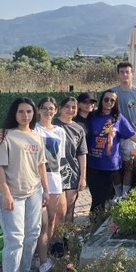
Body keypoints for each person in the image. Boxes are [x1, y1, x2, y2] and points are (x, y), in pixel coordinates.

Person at [0, 97, 48, 272]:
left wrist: (46, 190)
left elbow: (41, 164)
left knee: (32, 234)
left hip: (33, 192)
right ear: (14, 114)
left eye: (29, 111)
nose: (26, 115)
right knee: (14, 240)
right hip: (11, 195)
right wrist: (6, 193)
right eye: (21, 112)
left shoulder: (36, 136)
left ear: (34, 113)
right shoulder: (4, 136)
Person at [87, 89, 136, 213]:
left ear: (115, 103)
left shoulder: (118, 119)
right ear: (101, 100)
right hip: (93, 164)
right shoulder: (93, 116)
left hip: (109, 165)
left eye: (112, 100)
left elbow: (133, 136)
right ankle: (95, 222)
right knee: (96, 196)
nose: (109, 102)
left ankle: (95, 222)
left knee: (102, 197)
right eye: (106, 99)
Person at [34, 97, 67, 272]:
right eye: (45, 108)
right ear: (39, 110)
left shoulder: (60, 131)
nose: (48, 111)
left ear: (55, 111)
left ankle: (45, 253)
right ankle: (42, 261)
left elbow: (59, 158)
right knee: (42, 222)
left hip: (54, 179)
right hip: (37, 181)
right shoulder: (33, 130)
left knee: (53, 218)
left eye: (51, 108)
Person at [109, 62, 136, 197]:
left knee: (128, 165)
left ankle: (125, 194)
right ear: (118, 74)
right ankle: (117, 193)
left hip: (131, 136)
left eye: (127, 72)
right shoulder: (112, 93)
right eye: (122, 72)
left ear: (132, 74)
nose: (125, 74)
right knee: (113, 166)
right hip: (114, 136)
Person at [54, 97, 88, 240]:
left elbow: (81, 154)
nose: (70, 110)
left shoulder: (78, 129)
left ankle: (68, 240)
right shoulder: (52, 125)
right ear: (60, 108)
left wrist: (83, 177)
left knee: (69, 210)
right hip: (55, 174)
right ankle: (56, 240)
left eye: (73, 107)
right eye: (67, 106)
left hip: (72, 174)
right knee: (59, 211)